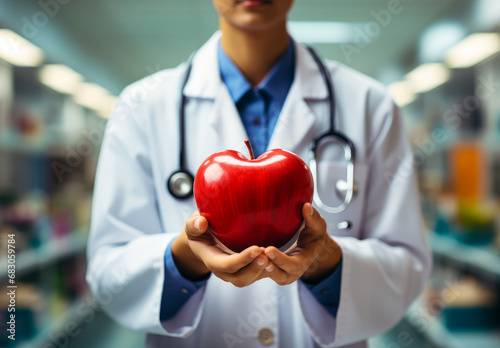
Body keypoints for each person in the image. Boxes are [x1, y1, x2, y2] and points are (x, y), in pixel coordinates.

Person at [86, 0, 432, 347]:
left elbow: (406, 266)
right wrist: (187, 258)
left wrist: (326, 263)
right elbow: (108, 269)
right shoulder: (142, 108)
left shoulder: (371, 106)